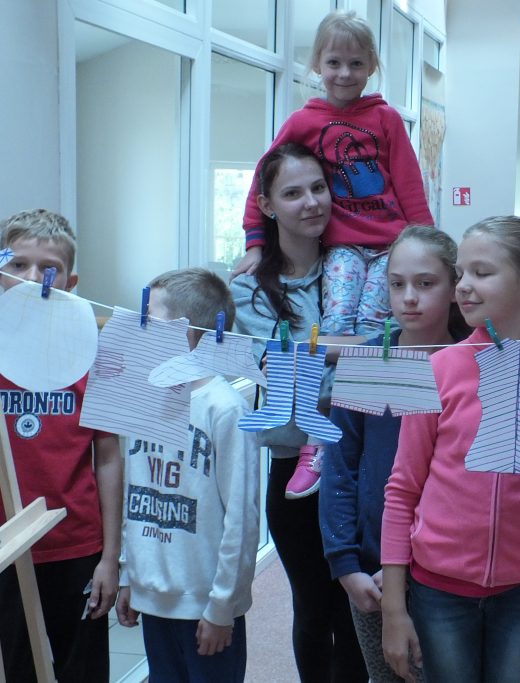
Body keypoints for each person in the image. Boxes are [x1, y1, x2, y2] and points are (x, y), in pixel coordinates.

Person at [380, 216, 520, 683]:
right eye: (461, 273)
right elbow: (402, 491)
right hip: (438, 589)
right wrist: (394, 610)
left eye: (481, 273)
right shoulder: (439, 369)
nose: (463, 286)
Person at [231, 143, 368, 682]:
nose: (311, 202)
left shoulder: (358, 268)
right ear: (266, 205)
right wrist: (355, 349)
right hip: (295, 469)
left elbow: (396, 343)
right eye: (292, 193)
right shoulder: (249, 288)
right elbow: (283, 371)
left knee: (358, 606)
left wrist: (319, 352)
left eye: (318, 188)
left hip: (362, 464)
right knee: (313, 608)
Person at [320, 225, 469, 682]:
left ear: (454, 286)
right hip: (371, 569)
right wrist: (345, 564)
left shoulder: (469, 364)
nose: (409, 298)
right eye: (397, 283)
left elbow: (469, 483)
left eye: (425, 283)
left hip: (447, 570)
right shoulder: (367, 362)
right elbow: (340, 467)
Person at [233, 9, 432, 341]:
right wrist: (254, 243)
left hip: (391, 245)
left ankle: (363, 376)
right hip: (342, 246)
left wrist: (428, 245)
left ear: (371, 65)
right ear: (317, 64)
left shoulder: (387, 118)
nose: (345, 73)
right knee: (336, 322)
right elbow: (263, 181)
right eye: (334, 63)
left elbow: (409, 186)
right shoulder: (302, 122)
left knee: (374, 327)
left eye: (356, 63)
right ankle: (329, 375)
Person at [115, 268, 259, 681]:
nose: (140, 330)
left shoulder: (225, 409)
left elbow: (242, 519)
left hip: (206, 606)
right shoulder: (145, 399)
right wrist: (129, 575)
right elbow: (134, 495)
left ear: (189, 333)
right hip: (152, 598)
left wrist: (222, 607)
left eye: (151, 320)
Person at [0, 209, 122, 683]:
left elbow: (107, 458)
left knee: (82, 669)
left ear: (70, 283)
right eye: (18, 265)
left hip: (76, 546)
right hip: (8, 549)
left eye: (47, 268)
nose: (32, 279)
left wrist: (110, 558)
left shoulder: (92, 354)